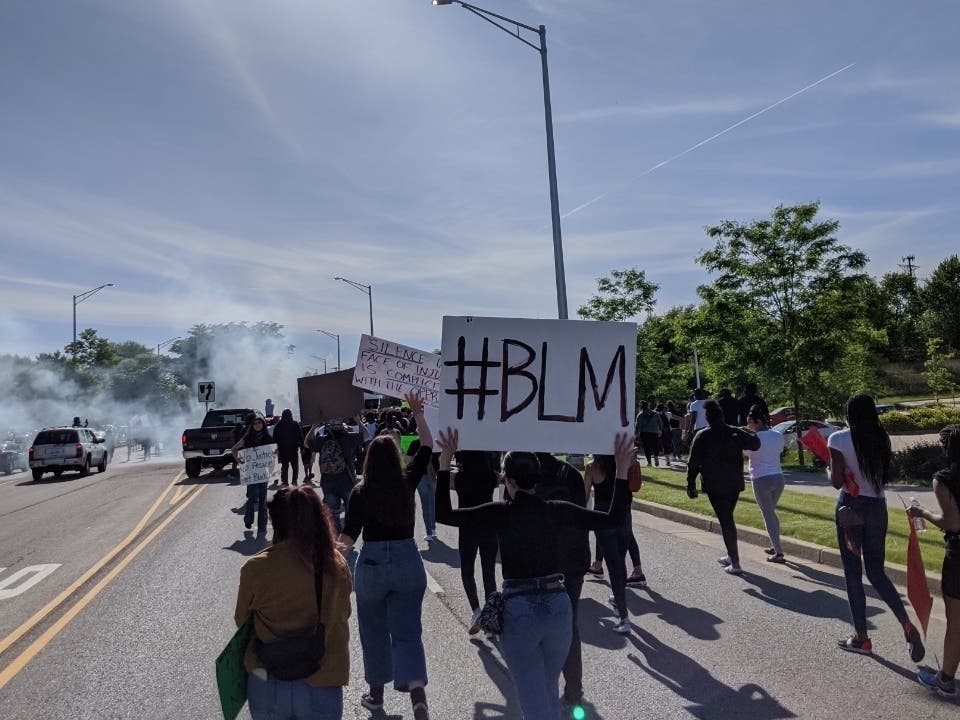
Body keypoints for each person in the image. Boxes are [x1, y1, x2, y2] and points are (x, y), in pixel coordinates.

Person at [436, 429, 634, 720]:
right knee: (546, 692)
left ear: (509, 480)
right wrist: (621, 469)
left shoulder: (500, 512)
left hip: (520, 610)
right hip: (557, 607)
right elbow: (613, 518)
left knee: (534, 702)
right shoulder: (556, 510)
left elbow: (445, 514)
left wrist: (444, 464)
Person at [338, 394, 434, 720]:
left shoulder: (360, 492)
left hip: (373, 566)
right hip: (408, 561)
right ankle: (418, 700)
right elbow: (426, 447)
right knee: (408, 633)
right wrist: (419, 415)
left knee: (374, 632)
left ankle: (376, 698)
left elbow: (349, 537)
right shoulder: (407, 483)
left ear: (368, 460)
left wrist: (333, 553)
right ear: (395, 458)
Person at [234, 486, 352, 720]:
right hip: (323, 678)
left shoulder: (255, 569)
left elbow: (242, 622)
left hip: (268, 678)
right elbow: (343, 613)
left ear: (275, 522)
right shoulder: (334, 564)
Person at [829, 394, 924, 661]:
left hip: (850, 509)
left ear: (849, 413)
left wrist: (831, 470)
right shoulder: (882, 437)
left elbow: (837, 482)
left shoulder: (837, 439)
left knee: (852, 573)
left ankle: (862, 638)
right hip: (876, 507)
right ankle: (906, 624)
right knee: (876, 572)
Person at [534, 451, 590, 709]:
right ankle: (574, 689)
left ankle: (545, 688)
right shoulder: (571, 474)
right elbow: (582, 513)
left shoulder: (526, 473)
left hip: (540, 563)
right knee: (570, 625)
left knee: (538, 627)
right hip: (573, 559)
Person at [909, 425, 960, 698]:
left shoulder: (945, 478)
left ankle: (946, 680)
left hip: (959, 555)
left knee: (956, 622)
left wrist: (923, 512)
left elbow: (952, 522)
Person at [686, 399, 760, 575]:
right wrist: (750, 430)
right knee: (727, 518)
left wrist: (690, 485)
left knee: (726, 520)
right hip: (734, 483)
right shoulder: (734, 432)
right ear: (722, 416)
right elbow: (755, 444)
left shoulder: (703, 435)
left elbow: (693, 463)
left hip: (714, 484)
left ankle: (735, 562)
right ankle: (730, 554)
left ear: (708, 418)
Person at [448, 451, 500, 635]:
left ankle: (476, 610)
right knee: (489, 574)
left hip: (467, 527)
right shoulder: (491, 476)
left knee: (467, 571)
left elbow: (441, 479)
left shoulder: (459, 478)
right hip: (489, 527)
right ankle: (491, 617)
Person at [585, 455, 633, 634]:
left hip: (602, 516)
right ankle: (618, 598)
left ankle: (623, 616)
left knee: (613, 565)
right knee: (620, 561)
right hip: (624, 513)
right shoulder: (624, 462)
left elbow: (585, 495)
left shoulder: (592, 467)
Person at [743, 406, 787, 563]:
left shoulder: (754, 438)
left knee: (768, 514)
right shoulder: (777, 435)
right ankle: (775, 545)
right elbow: (779, 451)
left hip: (761, 479)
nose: (748, 425)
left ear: (759, 421)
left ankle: (779, 553)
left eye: (750, 422)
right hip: (778, 477)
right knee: (771, 513)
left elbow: (745, 453)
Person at [306, 418, 366, 533]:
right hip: (347, 480)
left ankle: (336, 536)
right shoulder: (348, 437)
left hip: (327, 481)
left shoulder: (322, 440)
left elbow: (306, 443)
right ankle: (348, 535)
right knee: (350, 509)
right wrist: (358, 420)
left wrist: (313, 427)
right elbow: (367, 435)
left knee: (333, 513)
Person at [232, 416, 276, 536]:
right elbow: (234, 449)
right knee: (251, 498)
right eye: (255, 423)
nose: (257, 425)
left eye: (259, 423)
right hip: (251, 474)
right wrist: (238, 460)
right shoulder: (247, 437)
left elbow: (274, 452)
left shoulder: (267, 438)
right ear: (252, 425)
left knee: (262, 500)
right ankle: (248, 519)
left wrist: (274, 456)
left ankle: (262, 526)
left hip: (263, 474)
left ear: (263, 424)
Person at [273, 409, 305, 487]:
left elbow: (274, 439)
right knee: (295, 466)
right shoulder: (295, 424)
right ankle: (294, 481)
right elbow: (300, 437)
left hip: (283, 450)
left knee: (284, 467)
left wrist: (276, 450)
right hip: (293, 449)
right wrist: (302, 448)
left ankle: (285, 482)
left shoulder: (278, 425)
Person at [635, 401, 663, 467]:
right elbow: (660, 423)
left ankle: (649, 462)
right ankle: (656, 457)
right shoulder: (655, 413)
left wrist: (636, 434)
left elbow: (637, 425)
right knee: (655, 446)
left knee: (647, 448)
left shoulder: (640, 414)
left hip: (644, 433)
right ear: (649, 406)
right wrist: (660, 430)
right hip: (654, 432)